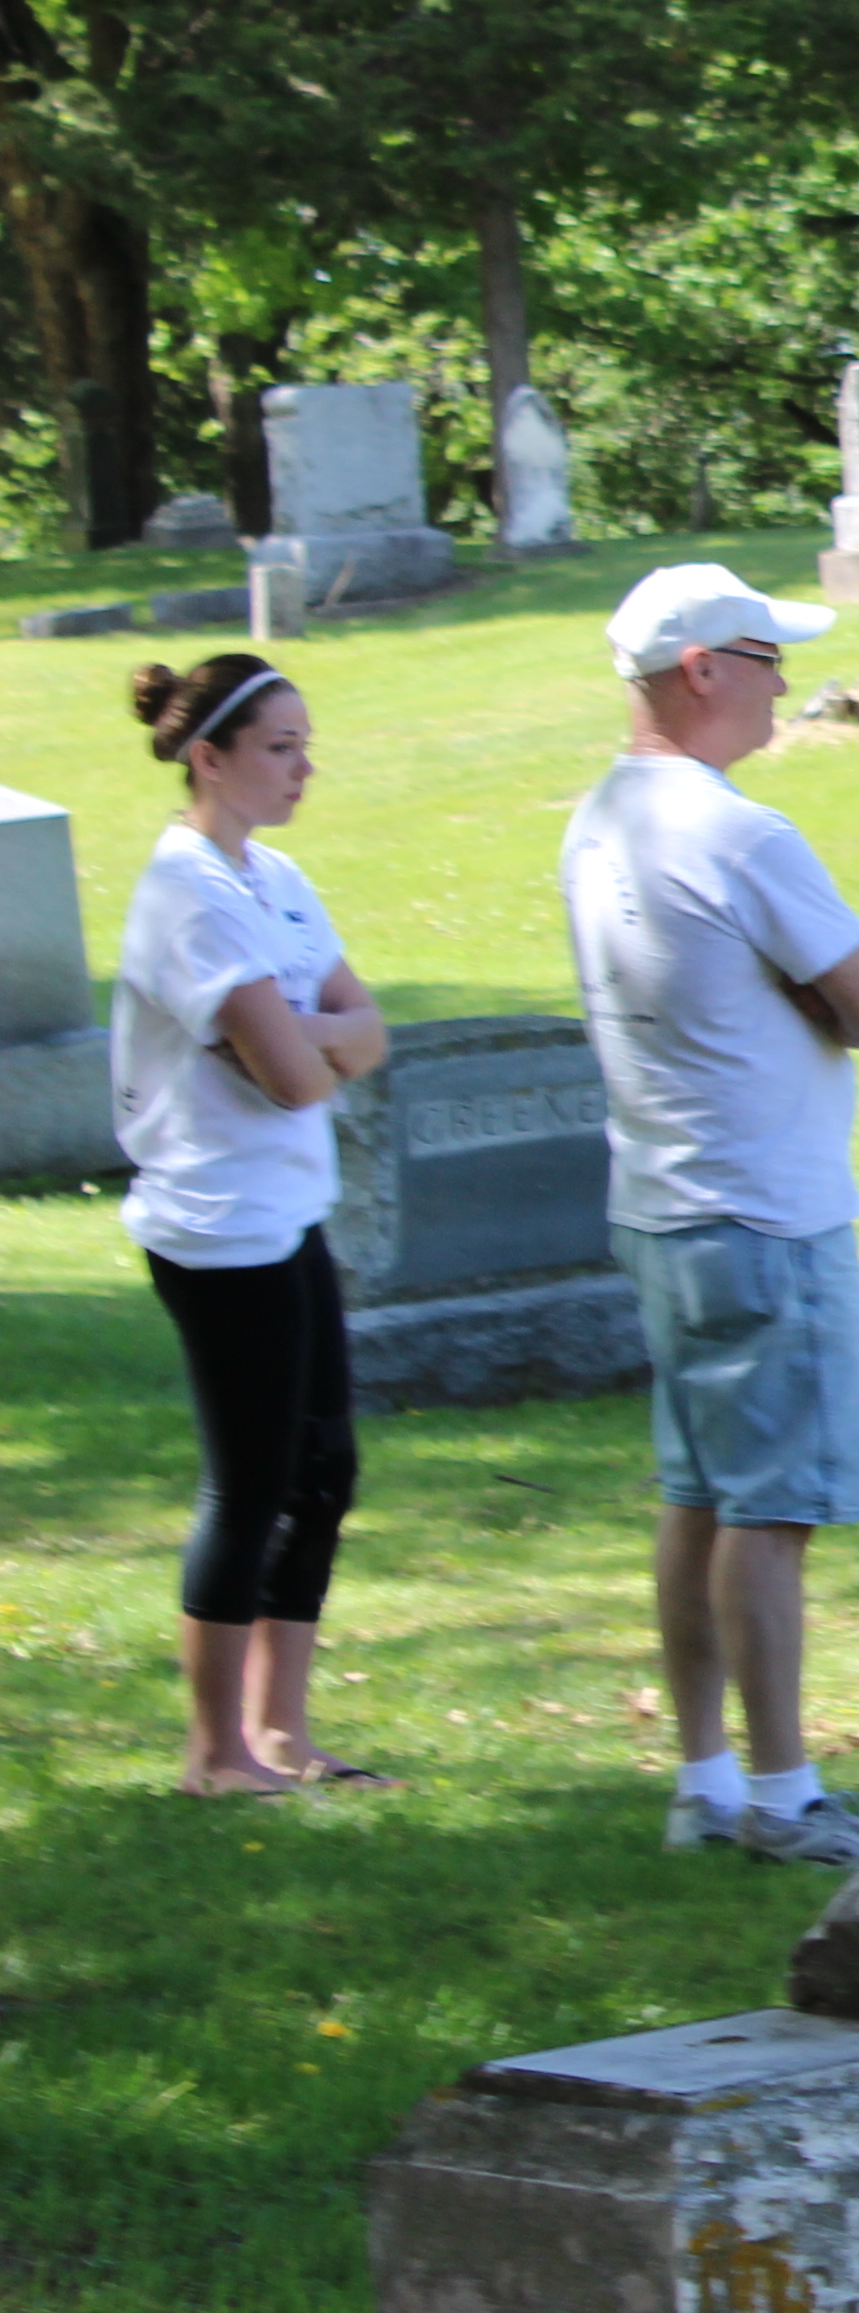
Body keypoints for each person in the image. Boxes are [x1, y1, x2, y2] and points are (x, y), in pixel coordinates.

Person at [562, 561, 859, 1868]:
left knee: (699, 1495)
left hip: (661, 1200)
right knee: (768, 1509)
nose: (783, 685)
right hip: (766, 1207)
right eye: (765, 657)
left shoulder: (600, 817)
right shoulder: (737, 833)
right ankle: (782, 1795)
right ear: (700, 669)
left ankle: (703, 1779)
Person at [109, 651, 393, 1798]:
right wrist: (307, 1042)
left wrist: (301, 1036)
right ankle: (213, 1754)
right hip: (217, 1226)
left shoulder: (271, 878)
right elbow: (302, 1079)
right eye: (280, 747)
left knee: (325, 1470)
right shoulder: (183, 892)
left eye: (305, 744)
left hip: (292, 1212)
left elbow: (363, 1030)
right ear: (208, 758)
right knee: (253, 1483)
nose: (303, 767)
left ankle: (285, 1734)